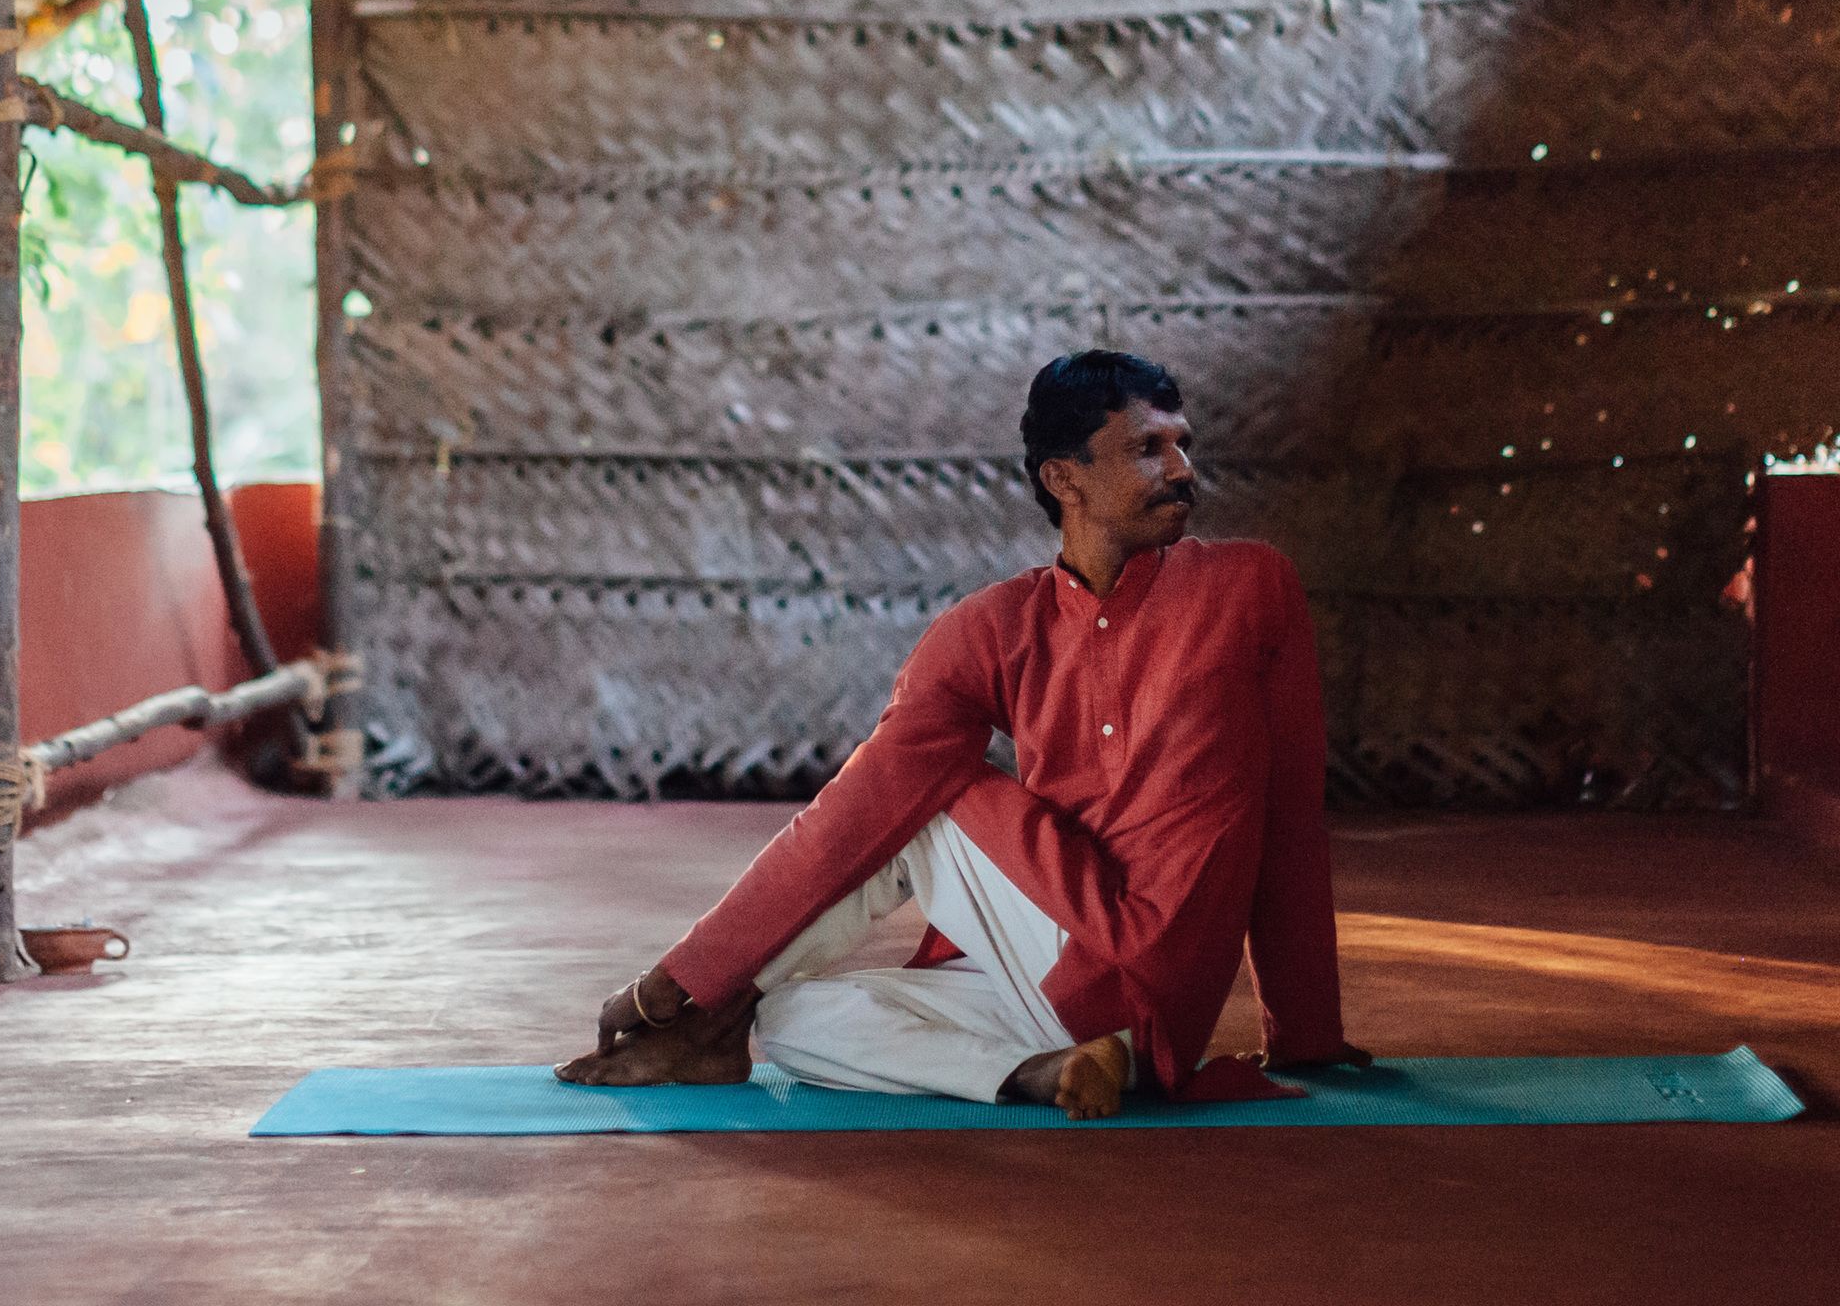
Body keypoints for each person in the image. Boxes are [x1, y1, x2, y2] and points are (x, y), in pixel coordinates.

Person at [553, 350, 1365, 1115]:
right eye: (1147, 449)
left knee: (918, 794)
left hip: (1152, 970)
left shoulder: (1250, 586)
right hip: (1052, 988)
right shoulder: (993, 627)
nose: (1182, 471)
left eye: (1182, 446)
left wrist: (675, 983)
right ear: (1062, 477)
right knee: (794, 1021)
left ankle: (699, 1019)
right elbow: (842, 826)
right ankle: (1039, 1074)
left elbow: (1290, 816)